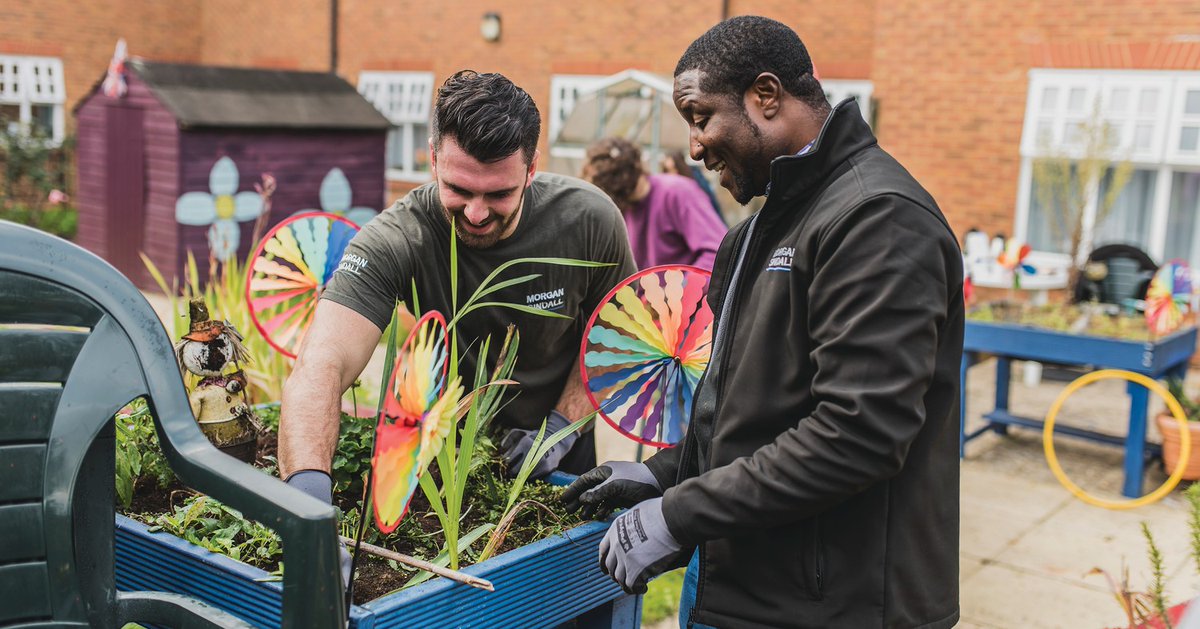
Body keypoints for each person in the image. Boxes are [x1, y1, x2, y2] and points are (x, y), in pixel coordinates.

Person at [563, 16, 963, 629]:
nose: (693, 147)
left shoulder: (877, 221)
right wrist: (661, 474)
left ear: (767, 96)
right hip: (747, 583)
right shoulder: (754, 232)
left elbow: (857, 435)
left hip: (838, 605)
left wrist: (681, 514)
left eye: (701, 118)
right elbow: (746, 409)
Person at [279, 70, 637, 565]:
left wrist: (558, 428)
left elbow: (613, 339)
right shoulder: (397, 239)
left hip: (558, 472)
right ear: (433, 158)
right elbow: (320, 367)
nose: (474, 213)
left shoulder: (589, 221)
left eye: (498, 195)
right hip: (440, 474)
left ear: (532, 169)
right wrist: (308, 514)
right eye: (459, 189)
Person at [581, 137, 726, 270]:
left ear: (618, 186)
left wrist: (678, 290)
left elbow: (717, 252)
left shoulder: (677, 192)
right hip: (647, 296)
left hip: (683, 295)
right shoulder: (622, 209)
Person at [660, 149, 725, 224]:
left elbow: (711, 203)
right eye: (667, 170)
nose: (671, 174)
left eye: (674, 169)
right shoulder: (665, 188)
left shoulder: (695, 180)